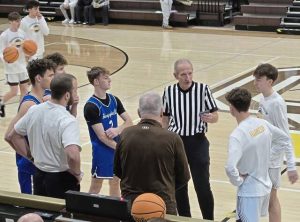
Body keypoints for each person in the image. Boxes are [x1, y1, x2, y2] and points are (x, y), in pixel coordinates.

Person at [224, 87, 298, 222]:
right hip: (265, 188)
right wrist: (270, 156)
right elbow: (285, 139)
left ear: (232, 108)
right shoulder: (262, 123)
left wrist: (238, 181)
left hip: (249, 192)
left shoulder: (237, 135)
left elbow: (229, 168)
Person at [114, 91, 190, 215]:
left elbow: (118, 170)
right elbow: (183, 177)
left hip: (131, 206)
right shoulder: (173, 138)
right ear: (161, 112)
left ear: (139, 112)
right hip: (163, 206)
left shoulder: (125, 135)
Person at [7, 74, 82, 199]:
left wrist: (31, 158)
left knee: (41, 215)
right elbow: (73, 155)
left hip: (39, 176)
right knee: (64, 217)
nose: (76, 92)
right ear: (67, 95)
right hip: (62, 178)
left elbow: (12, 136)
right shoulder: (68, 120)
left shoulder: (34, 110)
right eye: (75, 89)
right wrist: (77, 173)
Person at [162, 58, 218, 219]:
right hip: (176, 142)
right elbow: (165, 118)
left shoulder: (203, 89)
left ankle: (209, 219)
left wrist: (211, 118)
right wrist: (163, 137)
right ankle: (185, 218)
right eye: (183, 74)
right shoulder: (169, 92)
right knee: (179, 186)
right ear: (175, 75)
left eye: (190, 73)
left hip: (198, 142)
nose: (187, 77)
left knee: (202, 186)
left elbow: (215, 116)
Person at [253, 63, 298, 222]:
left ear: (269, 81)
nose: (255, 83)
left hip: (271, 160)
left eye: (259, 80)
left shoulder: (277, 103)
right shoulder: (263, 99)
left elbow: (285, 136)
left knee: (271, 199)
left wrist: (291, 167)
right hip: (262, 155)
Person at [4, 59, 55, 194]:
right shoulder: (30, 104)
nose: (54, 78)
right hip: (29, 164)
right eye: (50, 76)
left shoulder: (44, 97)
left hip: (38, 160)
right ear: (38, 78)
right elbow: (9, 136)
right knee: (31, 205)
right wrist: (30, 157)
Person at [84, 66, 132, 196]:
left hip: (115, 148)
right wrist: (120, 148)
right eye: (105, 78)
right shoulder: (91, 106)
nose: (109, 80)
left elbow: (129, 121)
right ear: (96, 82)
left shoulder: (114, 99)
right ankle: (85, 212)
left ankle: (115, 212)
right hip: (102, 150)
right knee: (96, 185)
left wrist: (118, 129)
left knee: (116, 181)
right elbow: (102, 137)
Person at [0, 12, 29, 118]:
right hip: (11, 68)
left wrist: (28, 54)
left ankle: (22, 112)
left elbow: (26, 47)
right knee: (13, 91)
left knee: (24, 90)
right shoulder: (4, 35)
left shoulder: (22, 33)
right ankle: (1, 102)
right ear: (10, 22)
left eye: (19, 20)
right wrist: (5, 60)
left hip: (22, 66)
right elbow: (1, 52)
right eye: (16, 21)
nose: (18, 23)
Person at [43, 52, 79, 117]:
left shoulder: (63, 89)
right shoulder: (45, 94)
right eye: (61, 69)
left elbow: (72, 117)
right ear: (51, 72)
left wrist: (74, 105)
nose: (64, 72)